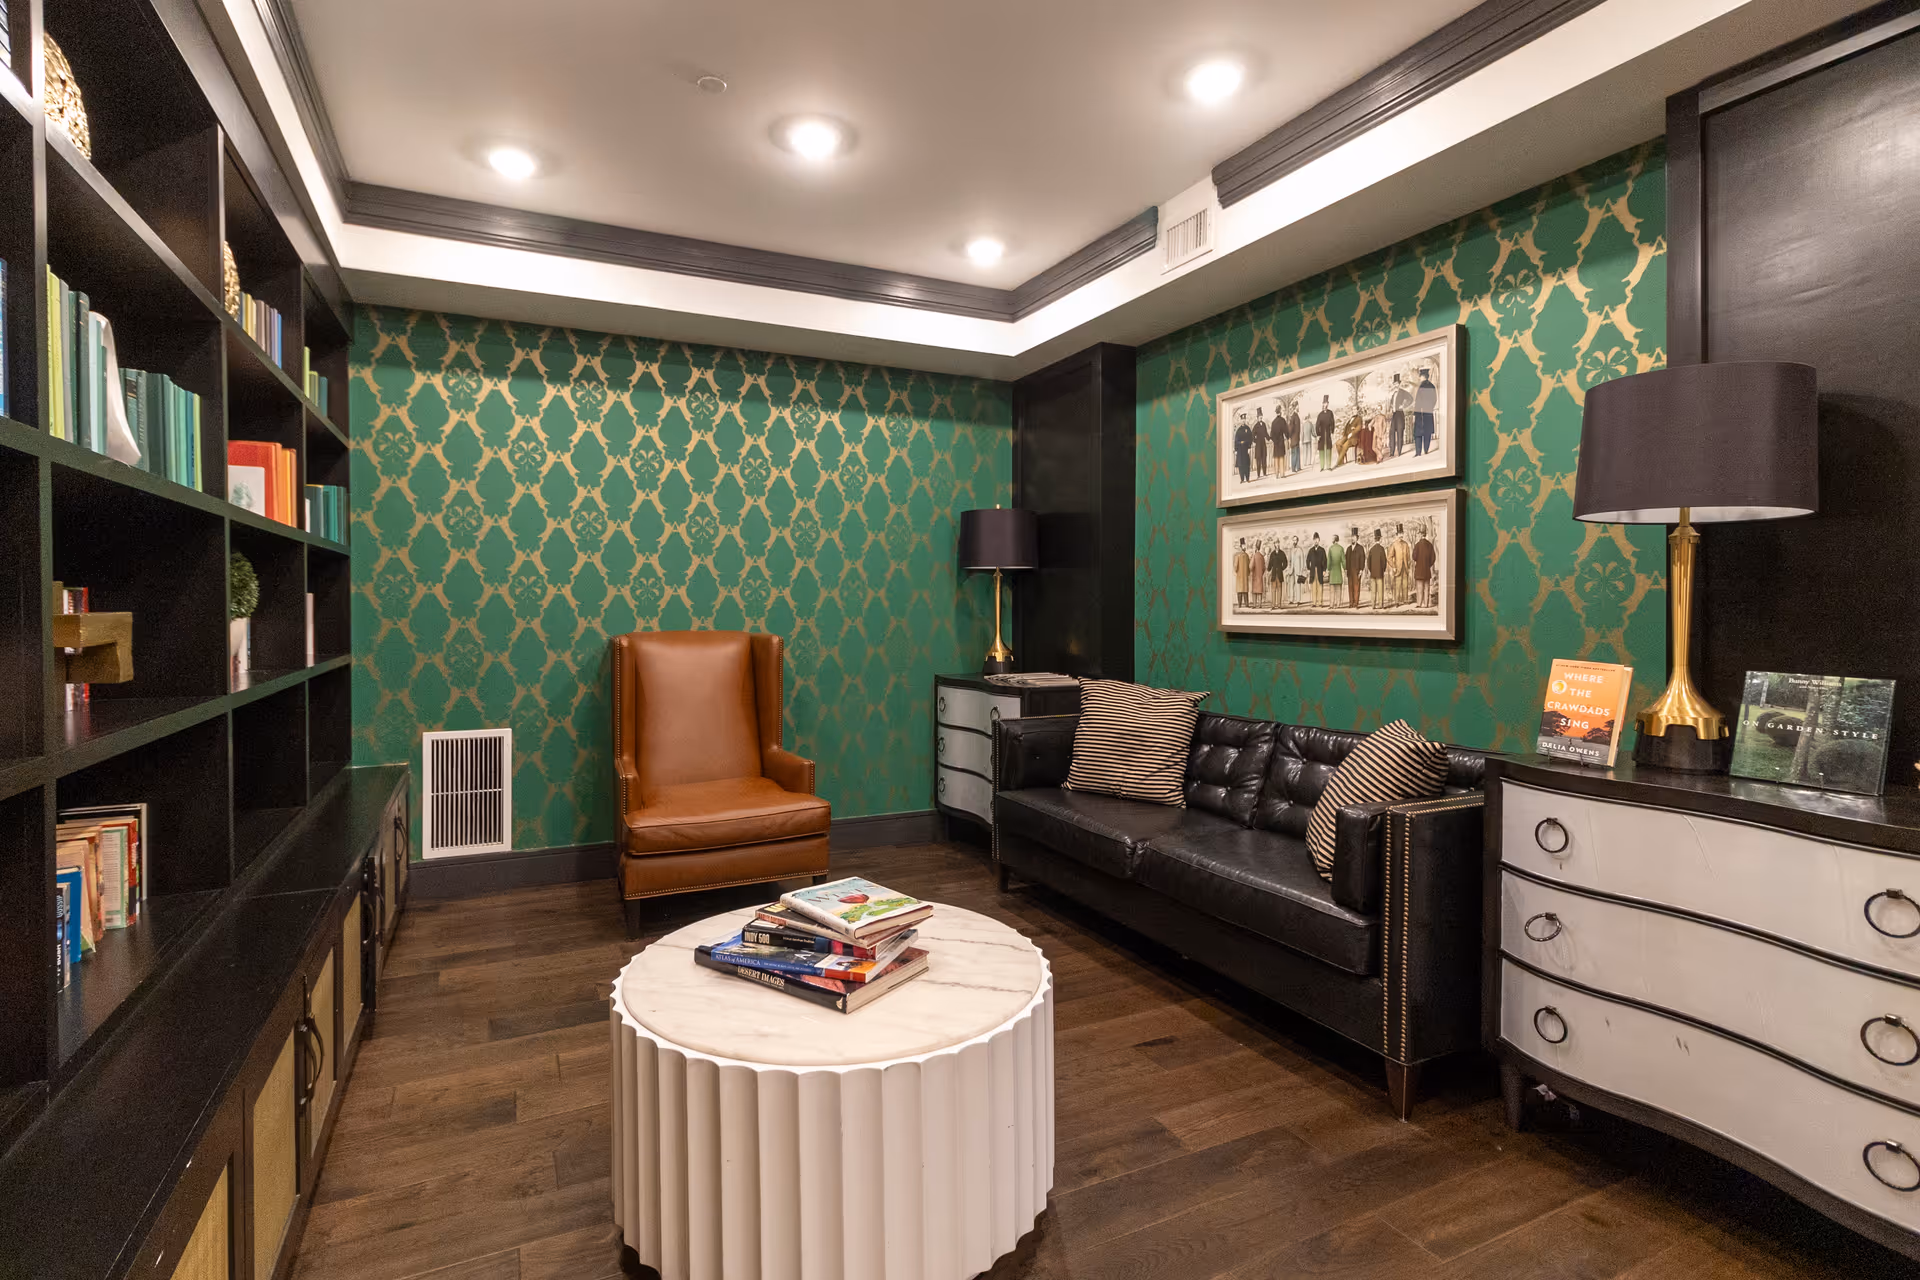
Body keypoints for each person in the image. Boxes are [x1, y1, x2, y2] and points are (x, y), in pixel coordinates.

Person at [1412, 367, 1438, 456]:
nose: (1420, 378)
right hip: (1428, 412)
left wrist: (1415, 413)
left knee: (1418, 433)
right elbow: (1435, 399)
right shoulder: (1432, 386)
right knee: (1427, 432)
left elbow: (1418, 401)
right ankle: (1426, 450)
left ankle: (1418, 452)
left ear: (1423, 376)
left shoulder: (1422, 386)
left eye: (1420, 376)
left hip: (1420, 413)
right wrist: (1430, 407)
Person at [1387, 372, 1413, 459]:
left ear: (1399, 384)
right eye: (1394, 384)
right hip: (1394, 415)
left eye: (1397, 384)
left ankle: (1399, 452)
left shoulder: (1403, 392)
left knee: (1399, 432)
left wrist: (1404, 405)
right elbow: (1391, 403)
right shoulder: (1393, 394)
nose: (1395, 385)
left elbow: (1411, 399)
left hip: (1400, 414)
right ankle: (1391, 452)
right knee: (1392, 433)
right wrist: (1391, 407)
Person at [1413, 522, 1437, 609]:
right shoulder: (1430, 545)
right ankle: (1426, 604)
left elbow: (1414, 557)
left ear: (1420, 534)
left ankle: (1419, 604)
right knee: (1426, 588)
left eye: (1419, 533)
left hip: (1419, 571)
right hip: (1427, 571)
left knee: (1420, 588)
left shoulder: (1417, 545)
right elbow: (1433, 558)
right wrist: (1428, 565)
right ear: (1425, 534)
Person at [1389, 523, 1413, 606]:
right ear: (1397, 534)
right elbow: (1389, 557)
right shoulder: (1394, 544)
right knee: (1398, 585)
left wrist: (1408, 566)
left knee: (1405, 584)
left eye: (1402, 533)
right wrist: (1393, 566)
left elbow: (1409, 557)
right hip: (1397, 568)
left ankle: (1405, 600)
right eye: (1399, 534)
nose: (1401, 535)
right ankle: (1397, 602)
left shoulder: (1406, 544)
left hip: (1405, 568)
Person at [1345, 528, 1366, 608]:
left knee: (1356, 587)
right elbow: (1346, 560)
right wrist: (1346, 569)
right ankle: (1351, 603)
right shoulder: (1348, 549)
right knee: (1350, 587)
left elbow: (1363, 559)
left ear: (1357, 538)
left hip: (1357, 571)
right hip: (1350, 571)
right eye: (1352, 536)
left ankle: (1356, 603)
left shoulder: (1360, 548)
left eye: (1354, 537)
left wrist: (1361, 570)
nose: (1353, 538)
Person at [1306, 533, 1328, 608]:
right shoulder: (1311, 550)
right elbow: (1307, 560)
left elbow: (1325, 561)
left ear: (1319, 540)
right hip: (1312, 571)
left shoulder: (1322, 550)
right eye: (1314, 539)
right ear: (1313, 540)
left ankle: (1320, 602)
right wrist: (1308, 569)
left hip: (1320, 570)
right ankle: (1314, 603)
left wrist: (1324, 570)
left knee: (1320, 587)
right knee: (1313, 587)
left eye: (1317, 539)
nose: (1316, 541)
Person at [1368, 530, 1388, 609]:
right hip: (1380, 573)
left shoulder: (1371, 549)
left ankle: (1373, 605)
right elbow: (1384, 561)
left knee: (1373, 590)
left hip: (1373, 573)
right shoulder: (1382, 549)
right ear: (1380, 539)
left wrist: (1371, 570)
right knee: (1380, 590)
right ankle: (1380, 605)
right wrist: (1383, 570)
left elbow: (1368, 563)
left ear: (1375, 539)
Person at [1232, 413, 1253, 484]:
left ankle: (1247, 478)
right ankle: (1242, 479)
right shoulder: (1239, 430)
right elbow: (1236, 440)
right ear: (1240, 420)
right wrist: (1236, 449)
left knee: (1246, 464)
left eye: (1244, 419)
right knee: (1241, 464)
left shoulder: (1248, 429)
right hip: (1240, 449)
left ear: (1245, 420)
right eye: (1242, 419)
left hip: (1246, 449)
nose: (1243, 421)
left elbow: (1250, 438)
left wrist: (1249, 447)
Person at [1267, 539, 1286, 609]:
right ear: (1274, 544)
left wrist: (1281, 568)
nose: (1277, 544)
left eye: (1278, 543)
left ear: (1279, 544)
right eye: (1276, 543)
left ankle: (1279, 605)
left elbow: (1285, 563)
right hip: (1274, 574)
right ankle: (1273, 605)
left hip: (1280, 574)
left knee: (1279, 589)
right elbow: (1270, 564)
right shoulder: (1272, 554)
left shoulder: (1282, 553)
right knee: (1273, 589)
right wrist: (1268, 569)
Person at [1327, 532, 1345, 606]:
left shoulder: (1330, 548)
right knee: (1338, 589)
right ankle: (1338, 604)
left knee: (1332, 590)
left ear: (1334, 540)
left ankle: (1331, 604)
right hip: (1338, 571)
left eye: (1332, 538)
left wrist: (1328, 569)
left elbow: (1329, 561)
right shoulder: (1341, 548)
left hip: (1332, 572)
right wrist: (1345, 568)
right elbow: (1343, 560)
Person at [1252, 407, 1269, 480]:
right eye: (1259, 417)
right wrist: (1255, 441)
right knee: (1258, 459)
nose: (1261, 418)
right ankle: (1258, 474)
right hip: (1258, 445)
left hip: (1263, 444)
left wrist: (1269, 438)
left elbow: (1266, 434)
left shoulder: (1264, 424)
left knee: (1264, 459)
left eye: (1261, 416)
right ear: (1257, 418)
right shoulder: (1255, 426)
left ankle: (1264, 473)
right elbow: (1252, 435)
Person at [1248, 532, 1266, 602]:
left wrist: (1252, 571)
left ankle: (1255, 604)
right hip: (1260, 576)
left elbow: (1250, 566)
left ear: (1256, 548)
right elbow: (1264, 568)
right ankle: (1260, 604)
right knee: (1260, 590)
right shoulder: (1262, 556)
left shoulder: (1254, 556)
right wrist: (1261, 573)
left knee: (1255, 590)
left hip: (1255, 576)